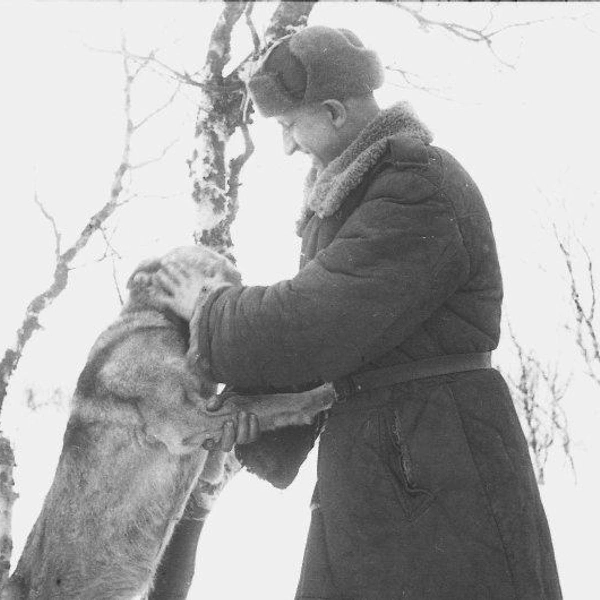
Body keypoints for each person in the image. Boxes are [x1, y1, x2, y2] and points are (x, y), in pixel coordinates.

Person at [151, 25, 562, 600]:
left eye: (291, 125)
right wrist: (253, 412)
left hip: (437, 469)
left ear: (335, 110)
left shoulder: (419, 186)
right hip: (393, 460)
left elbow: (313, 325)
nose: (289, 146)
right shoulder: (361, 194)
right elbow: (339, 343)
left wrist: (205, 310)